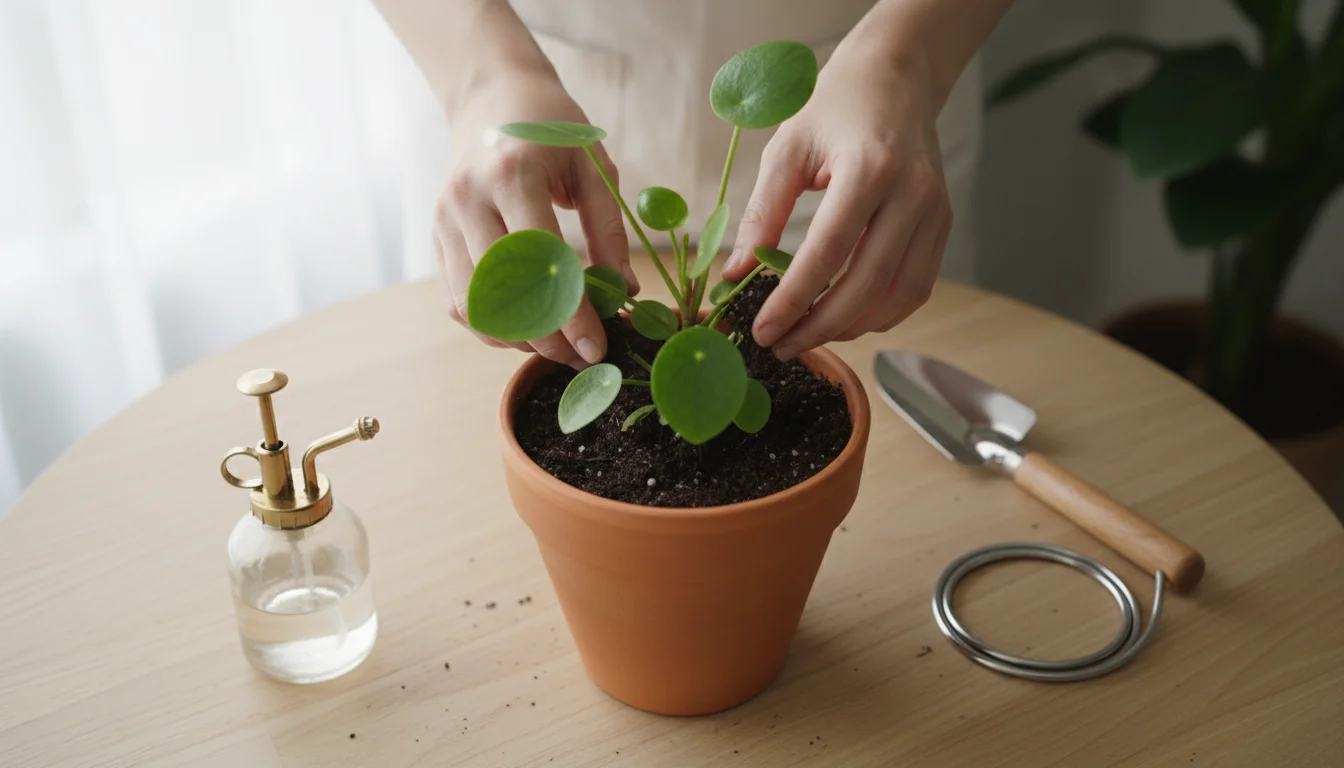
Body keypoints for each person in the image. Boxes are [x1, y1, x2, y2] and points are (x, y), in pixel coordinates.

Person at [373, 0, 1015, 368]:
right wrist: (484, 78)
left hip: (869, 102)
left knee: (867, 309)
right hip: (516, 105)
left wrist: (907, 59)